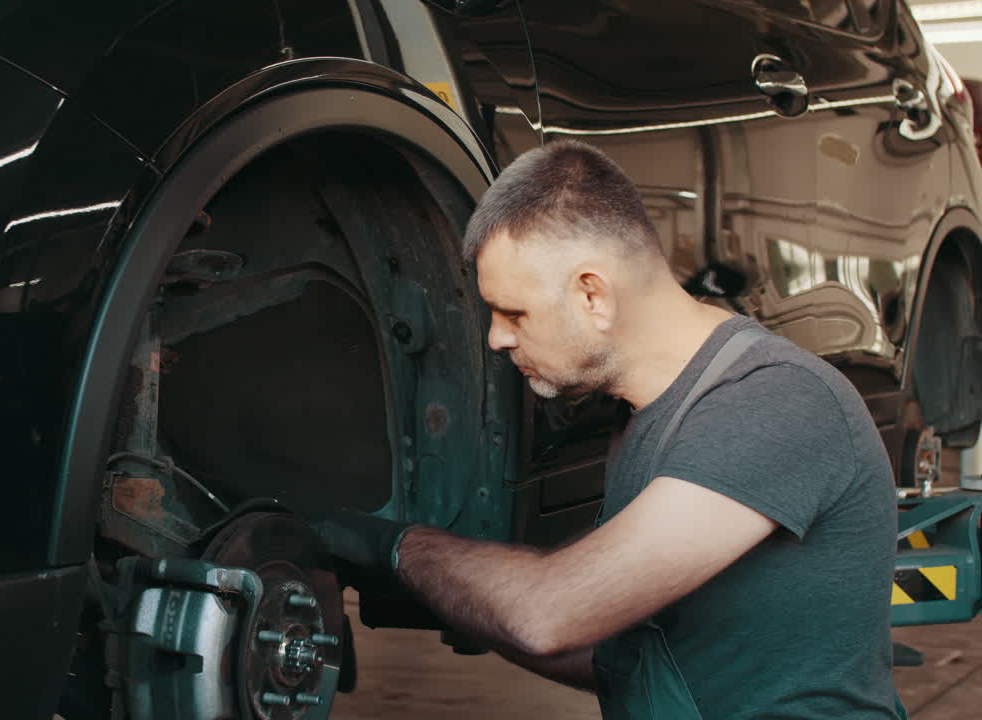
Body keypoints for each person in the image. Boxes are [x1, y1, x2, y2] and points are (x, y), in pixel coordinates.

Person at [310, 140, 905, 719]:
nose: (496, 338)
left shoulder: (773, 403)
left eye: (514, 312)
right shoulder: (646, 414)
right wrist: (474, 600)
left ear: (593, 295)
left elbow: (549, 614)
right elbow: (620, 661)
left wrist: (397, 547)